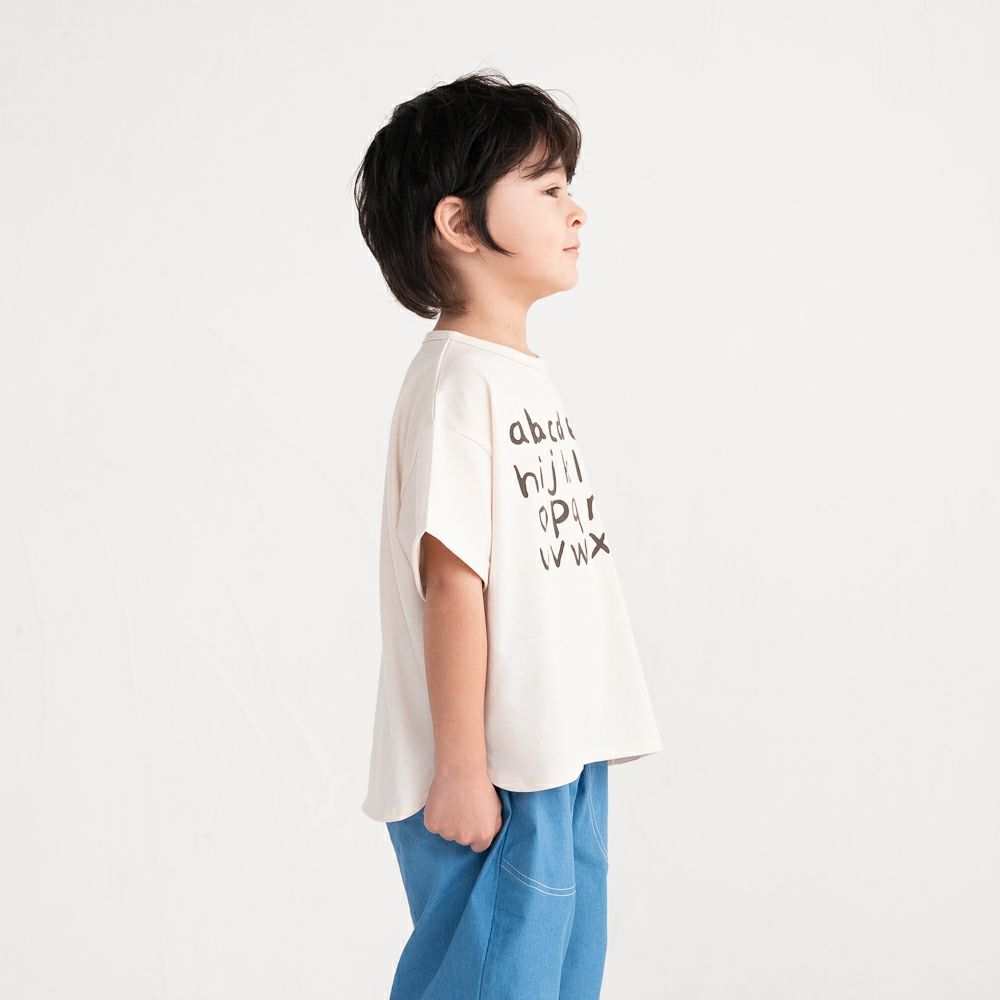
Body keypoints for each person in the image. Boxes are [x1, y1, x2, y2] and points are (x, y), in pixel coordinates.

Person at [353, 68, 664, 1000]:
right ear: (459, 223)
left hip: (558, 753)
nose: (577, 211)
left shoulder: (514, 373)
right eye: (549, 188)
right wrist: (461, 769)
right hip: (495, 773)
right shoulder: (459, 383)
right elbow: (453, 583)